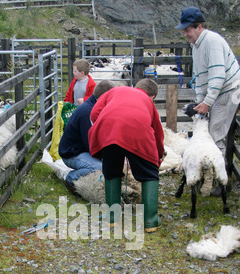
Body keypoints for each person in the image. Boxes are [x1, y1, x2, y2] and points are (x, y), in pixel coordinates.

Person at [175, 7, 240, 194]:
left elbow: (218, 74)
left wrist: (208, 101)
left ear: (199, 27)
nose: (185, 33)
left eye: (188, 29)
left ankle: (219, 182)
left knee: (214, 134)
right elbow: (201, 77)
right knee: (209, 132)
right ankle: (209, 178)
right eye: (184, 30)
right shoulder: (196, 46)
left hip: (228, 91)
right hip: (217, 93)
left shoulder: (211, 41)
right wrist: (200, 101)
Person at [88, 78, 164, 231]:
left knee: (112, 172)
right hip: (137, 130)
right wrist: (158, 156)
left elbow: (95, 112)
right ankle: (150, 221)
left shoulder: (115, 90)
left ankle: (112, 218)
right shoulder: (147, 102)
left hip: (109, 130)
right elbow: (157, 132)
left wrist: (108, 125)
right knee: (149, 174)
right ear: (152, 96)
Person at [59, 79, 115, 194]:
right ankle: (71, 178)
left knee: (109, 165)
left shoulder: (94, 107)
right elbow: (90, 143)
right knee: (100, 168)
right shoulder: (87, 112)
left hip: (82, 149)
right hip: (72, 153)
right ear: (104, 97)